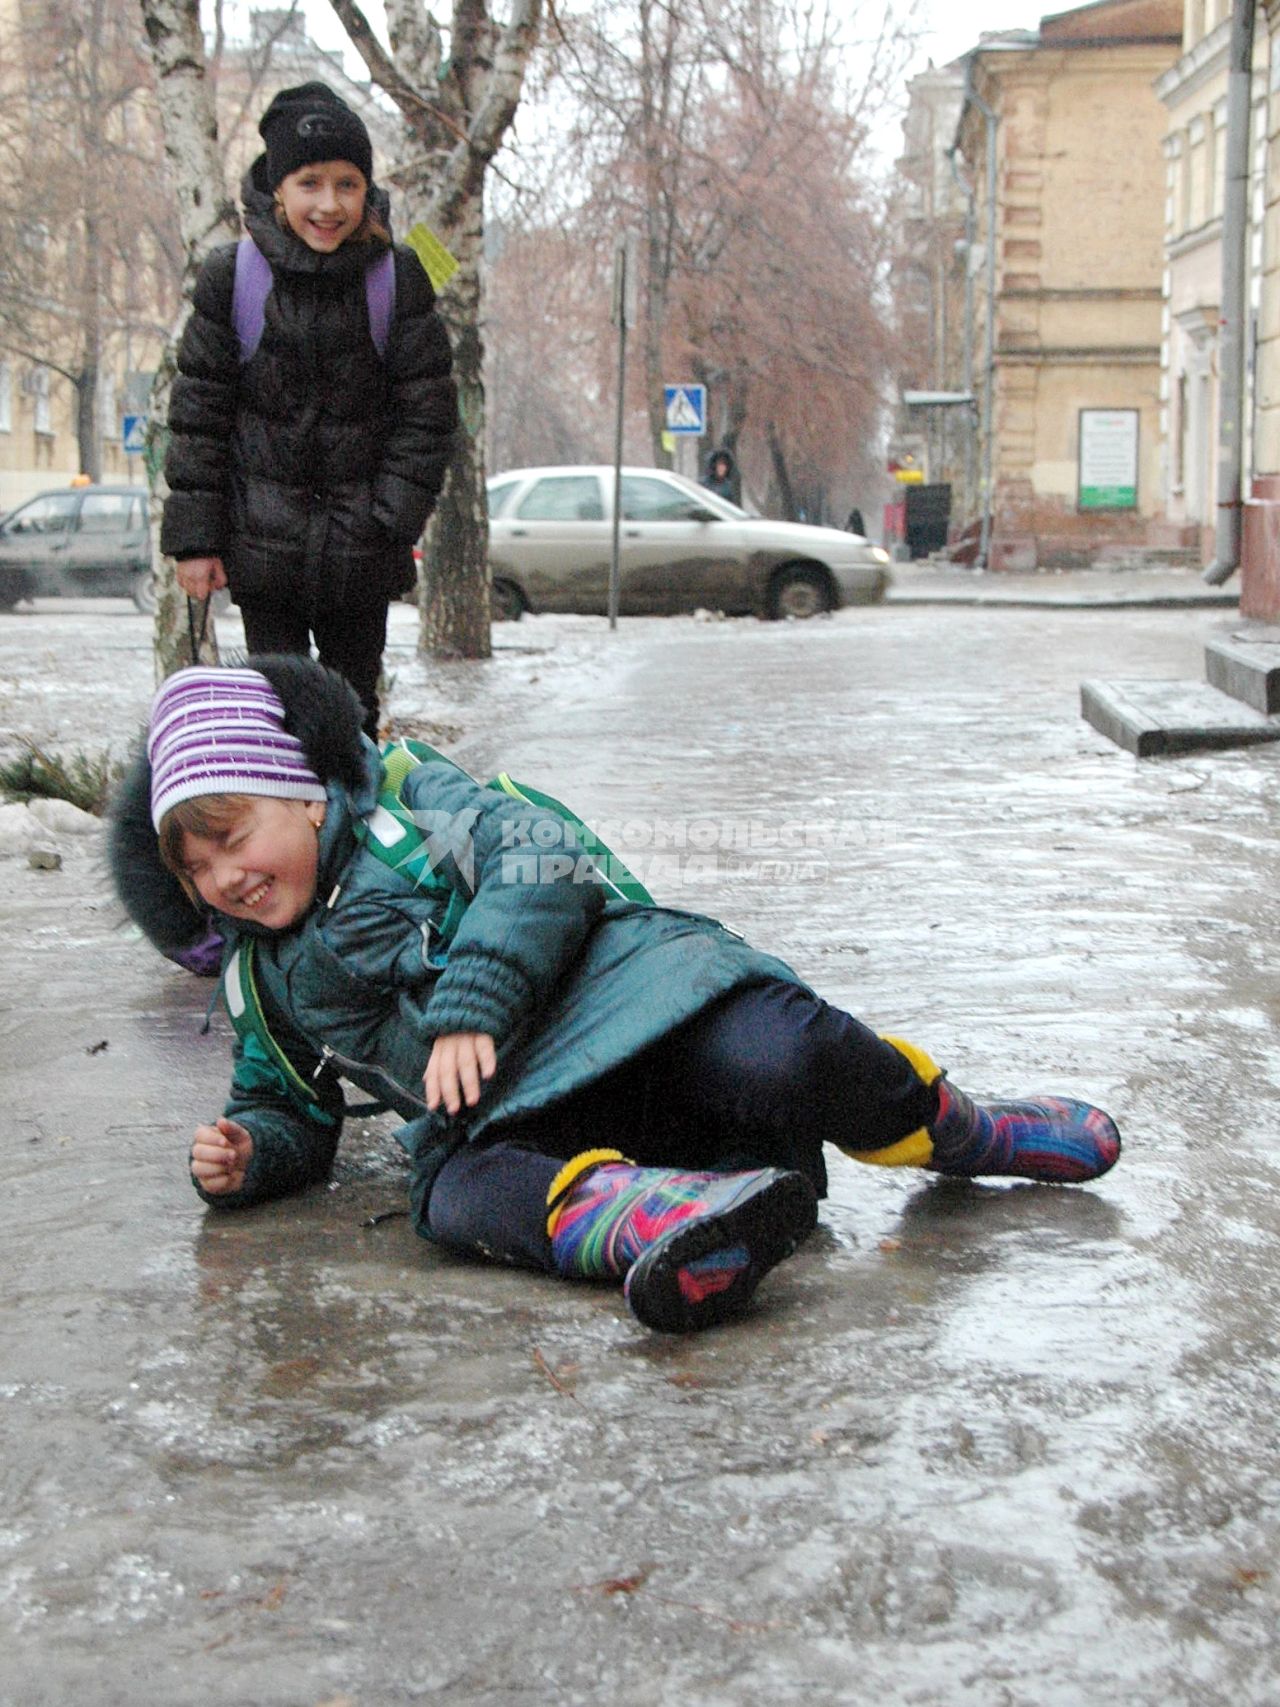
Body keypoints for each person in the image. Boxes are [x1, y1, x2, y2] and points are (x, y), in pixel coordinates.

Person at [108, 659, 1122, 1335]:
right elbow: (285, 1102)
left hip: (637, 1013)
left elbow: (537, 861)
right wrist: (252, 1155)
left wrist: (475, 1000)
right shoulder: (260, 977)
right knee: (451, 1195)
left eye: (233, 837)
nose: (224, 879)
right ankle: (666, 1221)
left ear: (306, 789)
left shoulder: (416, 802)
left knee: (783, 1051)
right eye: (196, 870)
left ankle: (960, 1131)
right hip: (537, 1120)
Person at [160, 81, 458, 739]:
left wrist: (390, 519)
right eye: (310, 183)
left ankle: (351, 837)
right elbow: (200, 415)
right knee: (276, 720)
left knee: (352, 720)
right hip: (261, 555)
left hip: (362, 552)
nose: (330, 204)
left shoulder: (395, 277)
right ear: (277, 190)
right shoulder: (231, 277)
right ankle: (286, 840)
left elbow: (428, 413)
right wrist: (196, 541)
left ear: (367, 192)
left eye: (348, 184)